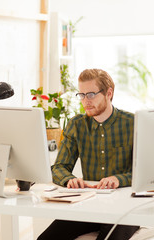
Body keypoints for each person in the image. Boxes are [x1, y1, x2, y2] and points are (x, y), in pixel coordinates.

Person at [37, 69, 139, 240]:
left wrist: (118, 179)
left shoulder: (133, 123)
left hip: (126, 207)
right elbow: (59, 167)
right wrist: (69, 179)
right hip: (90, 205)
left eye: (91, 94)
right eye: (82, 95)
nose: (85, 101)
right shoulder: (76, 125)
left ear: (109, 93)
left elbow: (144, 172)